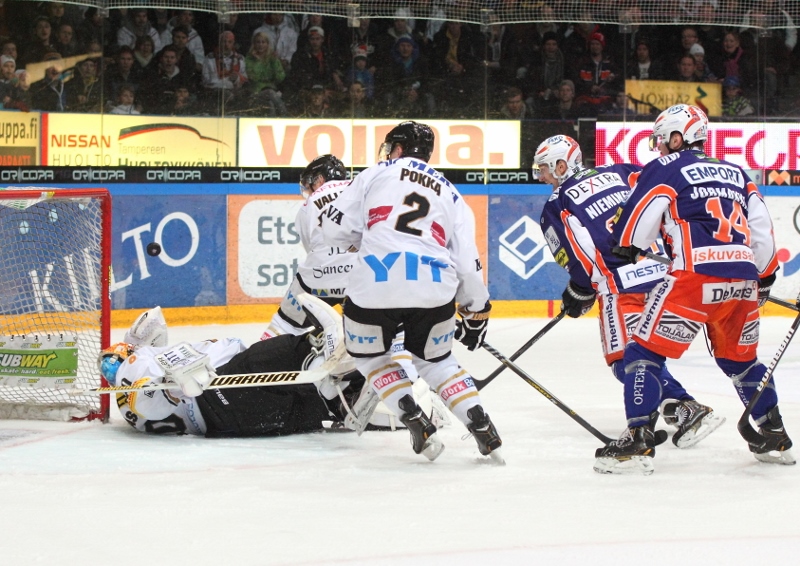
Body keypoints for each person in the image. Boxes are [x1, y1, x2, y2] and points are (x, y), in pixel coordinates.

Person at [601, 103, 793, 474]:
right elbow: (763, 235)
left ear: (678, 137)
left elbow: (636, 222)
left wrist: (627, 246)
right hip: (741, 281)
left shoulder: (665, 168)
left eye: (662, 141)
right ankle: (775, 434)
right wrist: (764, 277)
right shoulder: (739, 173)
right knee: (741, 362)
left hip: (693, 277)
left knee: (642, 353)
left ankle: (638, 438)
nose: (658, 148)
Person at [319, 121, 503, 463]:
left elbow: (332, 231)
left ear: (398, 148)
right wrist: (476, 309)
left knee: (371, 356)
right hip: (434, 289)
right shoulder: (451, 192)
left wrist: (361, 237)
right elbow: (467, 261)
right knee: (438, 362)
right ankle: (480, 421)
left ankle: (411, 414)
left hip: (374, 285)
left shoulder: (376, 173)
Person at [533, 134, 725, 452]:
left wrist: (579, 289)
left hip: (622, 287)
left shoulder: (557, 203)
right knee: (646, 352)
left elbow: (577, 255)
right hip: (665, 278)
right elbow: (664, 196)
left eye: (544, 169)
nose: (541, 176)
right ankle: (666, 410)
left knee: (626, 361)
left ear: (561, 165)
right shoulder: (623, 170)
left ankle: (684, 407)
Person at [99, 296, 360, 437]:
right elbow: (148, 401)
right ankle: (323, 348)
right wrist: (171, 389)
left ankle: (341, 401)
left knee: (295, 405)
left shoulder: (130, 403)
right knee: (267, 357)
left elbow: (146, 403)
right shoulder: (131, 368)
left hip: (235, 422)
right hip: (219, 396)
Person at [261, 154, 352, 340]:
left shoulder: (309, 204)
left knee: (284, 325)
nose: (309, 189)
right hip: (360, 276)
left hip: (319, 277)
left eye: (309, 183)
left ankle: (262, 358)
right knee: (363, 327)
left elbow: (312, 248)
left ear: (319, 179)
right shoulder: (361, 189)